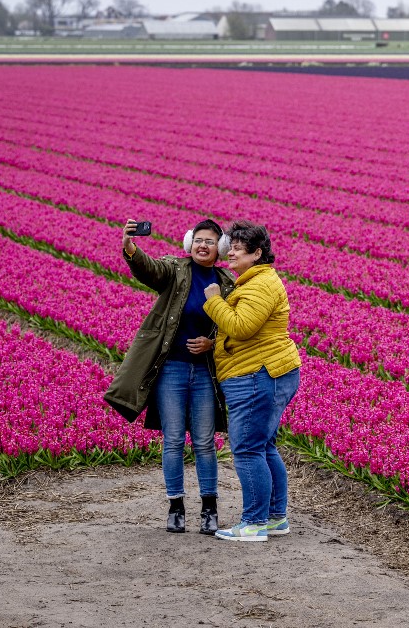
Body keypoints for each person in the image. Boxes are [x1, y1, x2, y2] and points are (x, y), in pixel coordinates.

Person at [104, 218, 234, 535]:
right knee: (173, 440)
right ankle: (175, 507)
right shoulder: (175, 269)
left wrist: (212, 343)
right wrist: (130, 247)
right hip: (171, 369)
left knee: (204, 442)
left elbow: (236, 326)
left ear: (222, 247)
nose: (204, 245)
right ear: (190, 244)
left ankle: (209, 509)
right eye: (199, 240)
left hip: (205, 371)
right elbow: (149, 269)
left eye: (211, 241)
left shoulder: (228, 282)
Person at [203, 220, 302, 542]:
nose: (229, 252)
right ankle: (275, 518)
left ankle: (255, 523)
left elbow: (242, 327)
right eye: (229, 246)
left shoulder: (260, 285)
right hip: (266, 372)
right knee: (264, 446)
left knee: (247, 449)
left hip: (258, 375)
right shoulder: (255, 281)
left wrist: (214, 300)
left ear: (257, 253)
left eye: (237, 248)